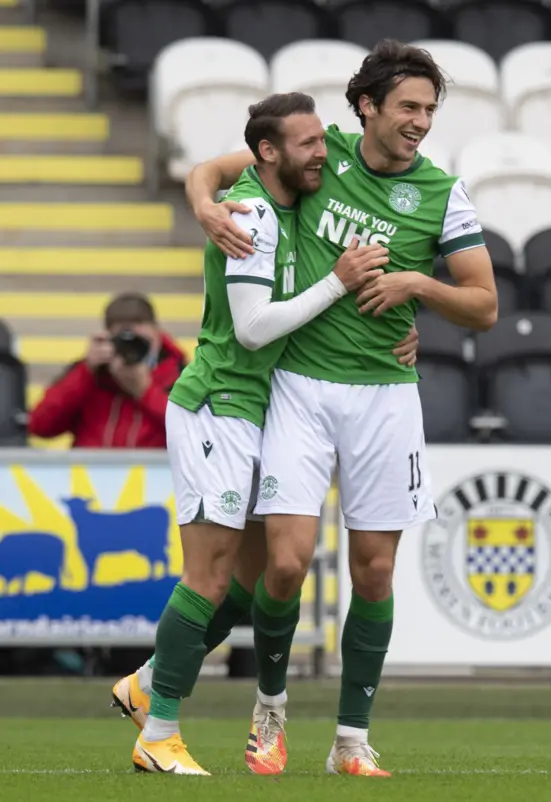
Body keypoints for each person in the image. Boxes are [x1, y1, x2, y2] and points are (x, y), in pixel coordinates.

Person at [182, 39, 498, 777]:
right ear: (368, 106)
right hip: (299, 387)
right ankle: (270, 710)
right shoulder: (320, 156)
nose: (421, 121)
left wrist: (418, 286)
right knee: (285, 567)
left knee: (375, 573)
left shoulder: (444, 192)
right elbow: (214, 168)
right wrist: (202, 204)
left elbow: (483, 305)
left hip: (387, 397)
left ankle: (351, 742)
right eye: (408, 107)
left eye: (429, 109)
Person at [121, 92, 393, 776]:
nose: (322, 155)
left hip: (255, 407)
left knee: (244, 585)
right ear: (271, 152)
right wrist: (336, 283)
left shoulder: (277, 189)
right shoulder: (255, 216)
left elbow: (209, 169)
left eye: (321, 142)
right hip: (219, 401)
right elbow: (251, 328)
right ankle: (158, 734)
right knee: (208, 577)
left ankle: (149, 679)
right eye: (308, 145)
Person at [28, 293, 185, 448]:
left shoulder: (180, 375)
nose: (132, 351)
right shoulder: (91, 376)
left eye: (140, 342)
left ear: (157, 333)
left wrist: (145, 391)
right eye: (125, 343)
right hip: (90, 472)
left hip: (155, 472)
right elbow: (40, 425)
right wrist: (86, 370)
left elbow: (192, 432)